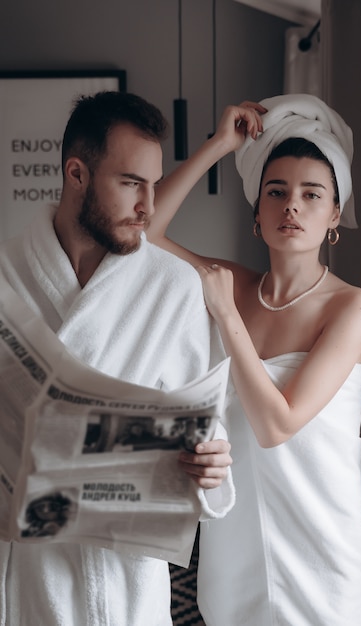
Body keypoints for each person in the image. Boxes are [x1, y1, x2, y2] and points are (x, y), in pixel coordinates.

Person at [0, 91, 234, 626]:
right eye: (131, 184)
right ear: (76, 173)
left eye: (154, 184)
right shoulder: (6, 271)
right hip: (25, 576)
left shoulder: (172, 286)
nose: (149, 207)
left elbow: (205, 420)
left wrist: (216, 463)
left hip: (122, 582)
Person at [148, 94, 361, 625]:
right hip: (236, 551)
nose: (291, 206)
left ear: (334, 214)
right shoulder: (236, 284)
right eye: (276, 192)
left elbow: (278, 424)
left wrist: (226, 316)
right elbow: (143, 234)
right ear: (257, 211)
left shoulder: (352, 306)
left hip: (322, 553)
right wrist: (217, 145)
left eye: (311, 194)